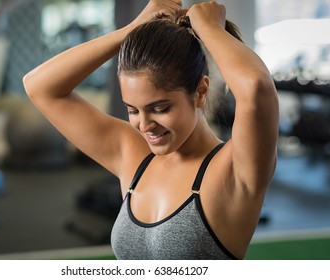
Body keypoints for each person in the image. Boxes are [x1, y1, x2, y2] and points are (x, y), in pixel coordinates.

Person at [23, 0, 279, 260]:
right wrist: (132, 28)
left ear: (200, 92)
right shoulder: (134, 155)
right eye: (133, 110)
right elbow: (39, 86)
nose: (144, 126)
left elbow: (256, 87)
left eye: (159, 109)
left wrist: (210, 29)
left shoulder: (235, 169)